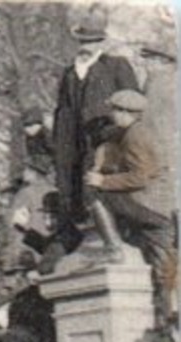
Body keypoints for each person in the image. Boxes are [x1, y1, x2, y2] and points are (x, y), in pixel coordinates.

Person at [50, 3, 139, 250]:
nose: (85, 47)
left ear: (101, 42)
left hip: (106, 144)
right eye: (82, 42)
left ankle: (115, 243)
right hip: (74, 147)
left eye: (92, 41)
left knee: (102, 193)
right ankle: (89, 238)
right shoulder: (69, 74)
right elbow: (62, 115)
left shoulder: (116, 66)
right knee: (76, 194)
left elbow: (134, 105)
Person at [85, 89, 178, 323]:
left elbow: (142, 177)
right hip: (163, 209)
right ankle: (169, 322)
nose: (114, 115)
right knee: (165, 267)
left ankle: (113, 248)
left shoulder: (134, 136)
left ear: (126, 113)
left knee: (97, 196)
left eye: (116, 110)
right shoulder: (142, 132)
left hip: (148, 204)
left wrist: (103, 180)